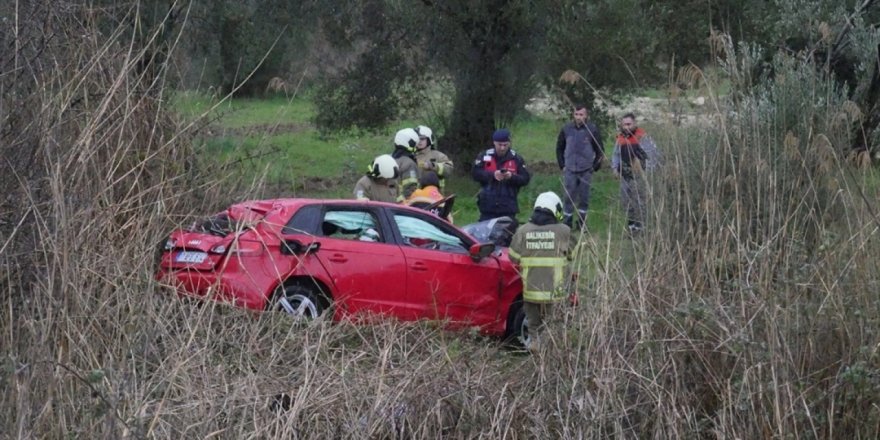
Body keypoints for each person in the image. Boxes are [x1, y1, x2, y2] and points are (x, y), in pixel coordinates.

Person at [507, 191, 572, 352]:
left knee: (534, 326)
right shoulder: (563, 231)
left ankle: (536, 353)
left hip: (531, 292)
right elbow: (572, 254)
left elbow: (513, 258)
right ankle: (554, 358)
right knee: (554, 327)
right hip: (555, 293)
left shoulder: (523, 231)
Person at [556, 104, 605, 230]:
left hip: (585, 171)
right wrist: (562, 165)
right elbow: (559, 148)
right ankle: (567, 223)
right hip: (570, 170)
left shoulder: (592, 130)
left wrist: (594, 167)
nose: (578, 117)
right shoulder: (566, 129)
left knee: (584, 198)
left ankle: (582, 224)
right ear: (573, 115)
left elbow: (600, 151)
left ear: (586, 115)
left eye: (581, 114)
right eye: (576, 114)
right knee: (568, 198)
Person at [611, 112, 660, 234]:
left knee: (640, 201)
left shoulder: (642, 137)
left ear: (635, 124)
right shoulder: (621, 138)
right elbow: (616, 154)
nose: (626, 127)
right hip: (625, 175)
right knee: (626, 202)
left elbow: (652, 155)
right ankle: (632, 227)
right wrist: (615, 168)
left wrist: (647, 172)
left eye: (629, 124)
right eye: (624, 124)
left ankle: (642, 227)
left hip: (640, 176)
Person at [472, 128, 531, 223]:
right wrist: (492, 175)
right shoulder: (484, 156)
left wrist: (511, 177)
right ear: (494, 143)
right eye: (500, 145)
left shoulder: (516, 159)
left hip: (508, 206)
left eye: (505, 145)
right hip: (487, 206)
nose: (502, 148)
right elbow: (475, 174)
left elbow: (525, 179)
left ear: (509, 144)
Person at [414, 125, 454, 191]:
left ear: (429, 139)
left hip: (435, 196)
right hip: (416, 195)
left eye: (422, 139)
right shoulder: (411, 156)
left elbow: (449, 170)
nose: (419, 141)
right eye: (417, 139)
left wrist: (432, 165)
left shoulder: (438, 156)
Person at [391, 128, 421, 200]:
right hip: (403, 206)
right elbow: (410, 190)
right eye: (415, 145)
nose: (416, 147)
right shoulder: (409, 164)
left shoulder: (390, 160)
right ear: (410, 144)